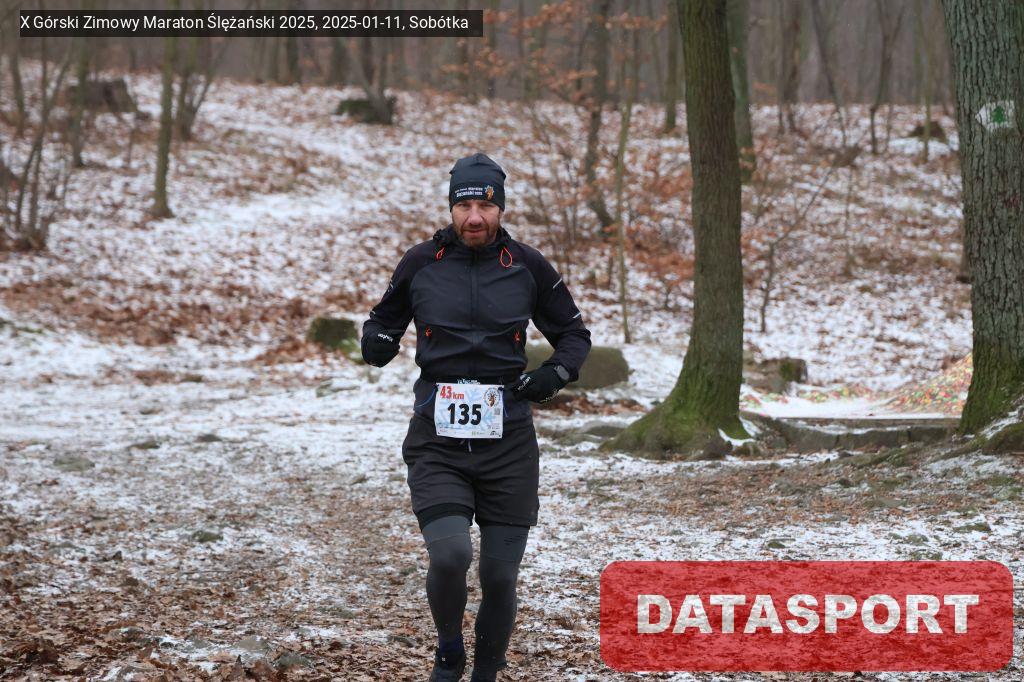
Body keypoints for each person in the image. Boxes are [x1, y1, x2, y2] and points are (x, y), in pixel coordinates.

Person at [360, 152, 591, 680]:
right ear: (451, 208)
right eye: (464, 206)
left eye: (485, 206)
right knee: (450, 556)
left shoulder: (527, 266)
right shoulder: (421, 262)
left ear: (500, 209)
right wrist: (376, 342)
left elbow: (574, 335)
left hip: (508, 445)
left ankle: (487, 671)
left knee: (500, 576)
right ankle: (449, 652)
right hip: (437, 441)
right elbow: (381, 321)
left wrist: (555, 374)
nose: (474, 217)